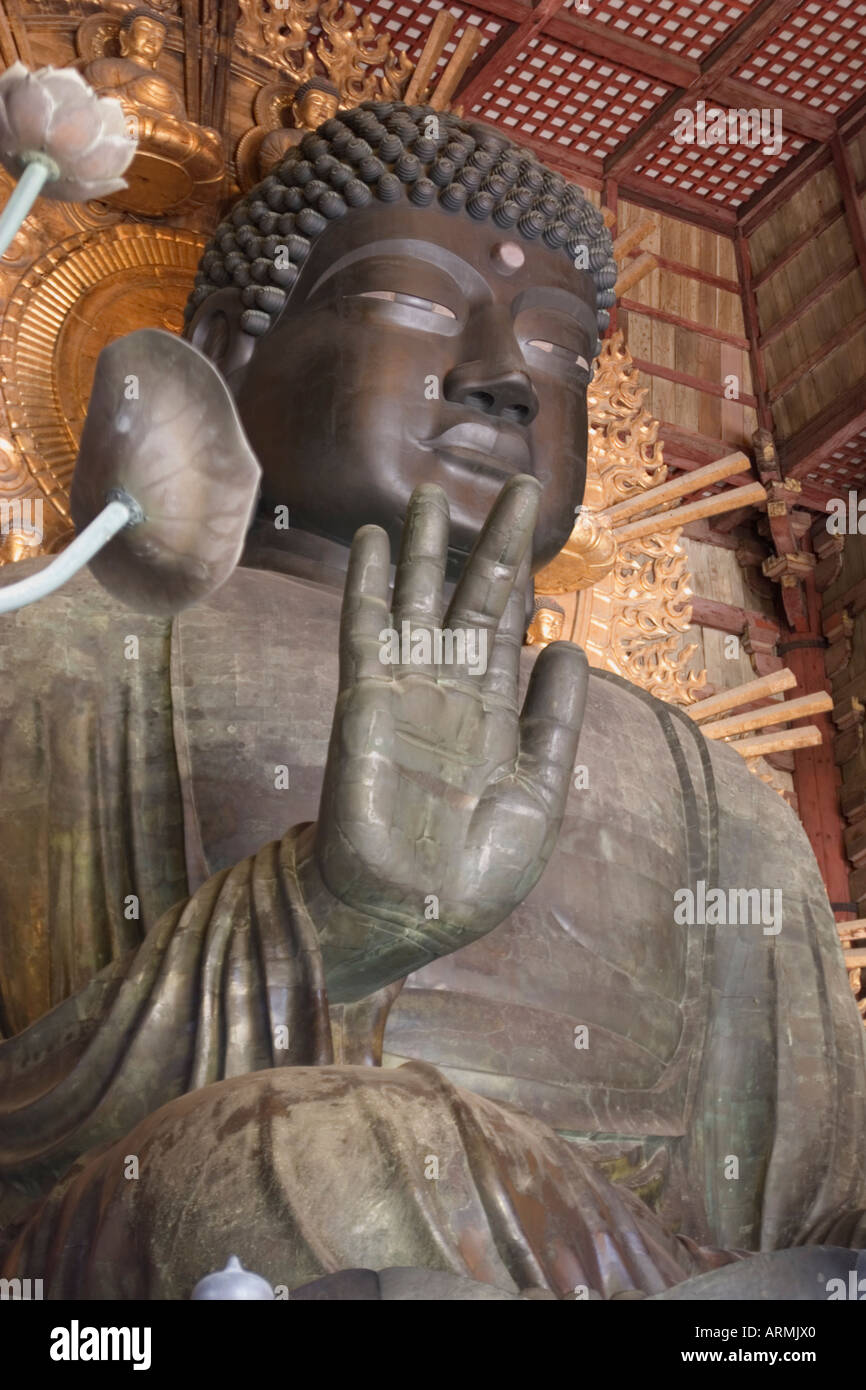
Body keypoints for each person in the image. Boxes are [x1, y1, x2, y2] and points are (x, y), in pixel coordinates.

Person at [1, 101, 863, 1298]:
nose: (505, 378)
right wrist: (327, 921)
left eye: (559, 352)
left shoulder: (714, 794)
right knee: (317, 1159)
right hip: (200, 1260)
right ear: (225, 345)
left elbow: (817, 1223)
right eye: (409, 300)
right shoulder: (58, 652)